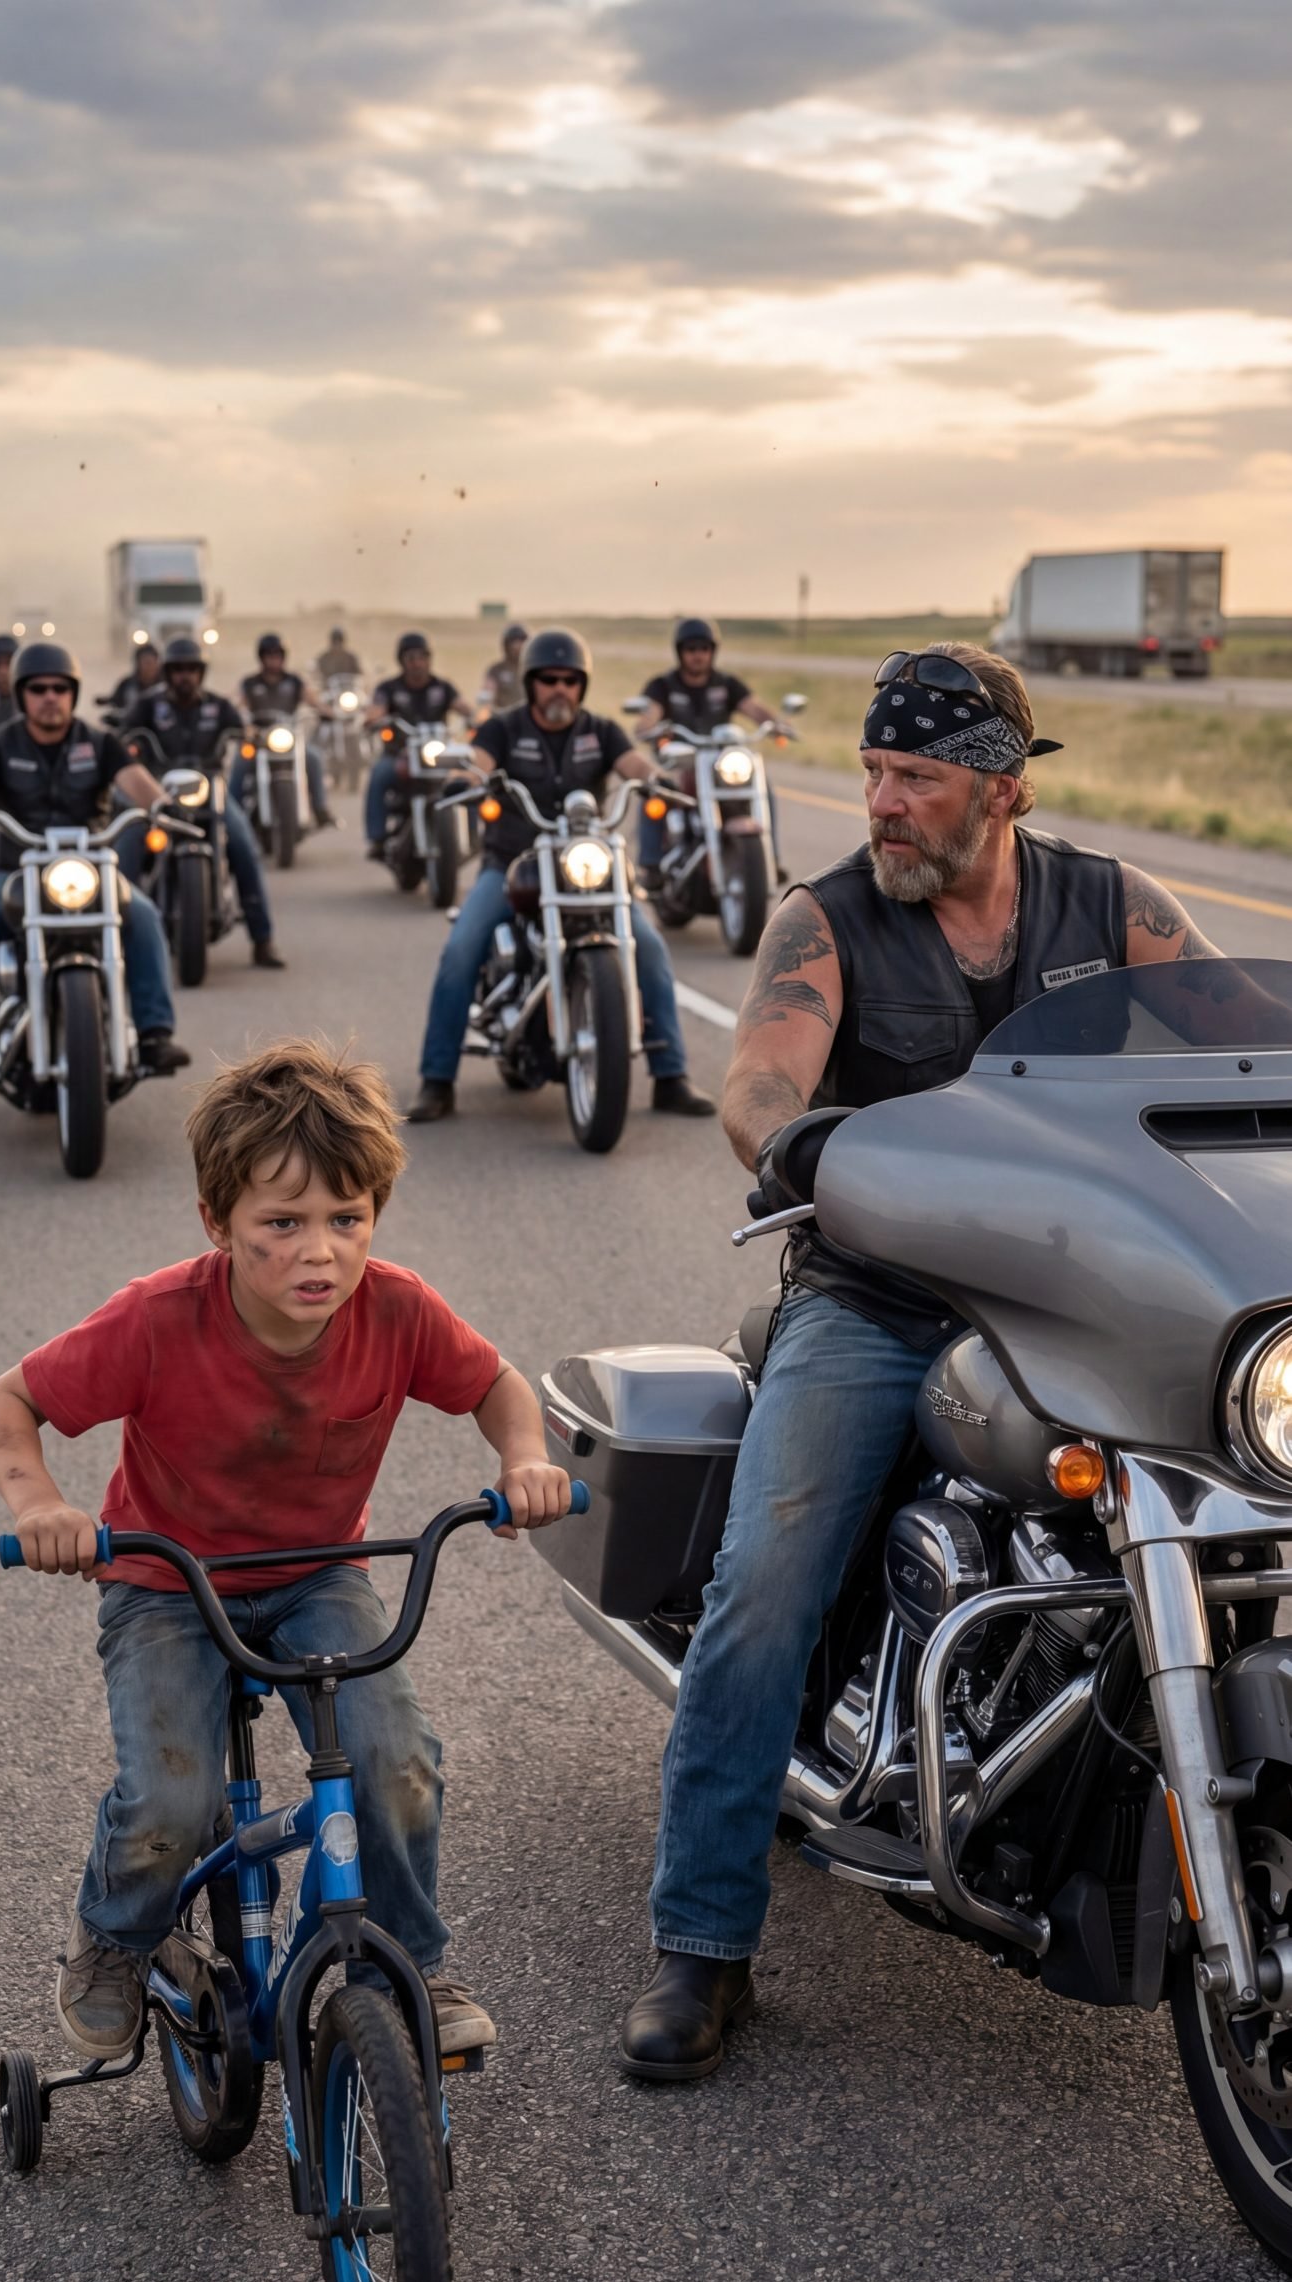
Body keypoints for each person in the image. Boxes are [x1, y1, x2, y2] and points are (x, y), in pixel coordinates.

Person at [620, 639, 1223, 2081]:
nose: (881, 802)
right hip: (879, 1298)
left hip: (1083, 1300)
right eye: (876, 772)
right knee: (761, 1590)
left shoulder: (1109, 904)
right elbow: (759, 1080)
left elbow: (1240, 1038)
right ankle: (701, 1948)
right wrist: (800, 1141)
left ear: (999, 790)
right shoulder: (827, 920)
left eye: (916, 777)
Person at [0, 1037, 574, 2062]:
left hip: (314, 1574)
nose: (321, 1252)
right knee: (171, 1796)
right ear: (218, 1224)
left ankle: (405, 1959)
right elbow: (9, 1403)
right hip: (169, 1578)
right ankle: (117, 1936)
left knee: (397, 1765)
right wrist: (42, 1508)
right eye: (281, 1224)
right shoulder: (159, 1318)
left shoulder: (396, 1307)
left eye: (347, 1220)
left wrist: (525, 1459)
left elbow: (497, 1386)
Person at [407, 627, 716, 1123]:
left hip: (586, 868)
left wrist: (655, 778)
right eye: (548, 679)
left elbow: (633, 762)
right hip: (513, 865)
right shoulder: (503, 730)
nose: (559, 690)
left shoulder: (600, 730)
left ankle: (670, 1076)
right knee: (461, 948)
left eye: (570, 681)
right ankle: (437, 1080)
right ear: (531, 683)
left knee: (650, 947)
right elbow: (479, 763)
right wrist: (466, 778)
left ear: (582, 685)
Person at [0, 640, 188, 1081]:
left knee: (144, 916)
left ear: (73, 693)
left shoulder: (100, 742)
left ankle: (154, 1034)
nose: (50, 697)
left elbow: (137, 781)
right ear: (22, 695)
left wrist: (165, 805)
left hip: (89, 868)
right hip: (17, 870)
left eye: (59, 688)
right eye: (38, 689)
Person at [132, 636, 285, 968]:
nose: (185, 676)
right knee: (126, 847)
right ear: (168, 673)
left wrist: (252, 736)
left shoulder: (218, 706)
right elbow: (125, 733)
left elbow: (243, 730)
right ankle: (119, 935)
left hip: (210, 791)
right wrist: (122, 739)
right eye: (178, 670)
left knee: (244, 846)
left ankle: (263, 940)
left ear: (201, 673)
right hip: (160, 792)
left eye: (192, 669)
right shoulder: (148, 706)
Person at [633, 616, 791, 878]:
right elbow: (649, 715)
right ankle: (650, 863)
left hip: (719, 763)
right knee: (654, 790)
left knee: (764, 786)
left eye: (704, 648)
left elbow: (753, 707)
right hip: (679, 761)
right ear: (680, 652)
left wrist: (776, 724)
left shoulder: (726, 684)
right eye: (691, 649)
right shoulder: (663, 686)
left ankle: (770, 857)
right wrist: (648, 727)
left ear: (712, 651)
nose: (698, 655)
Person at [363, 632, 476, 860]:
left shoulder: (442, 687)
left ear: (429, 659)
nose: (416, 663)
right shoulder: (389, 688)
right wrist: (373, 718)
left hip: (438, 755)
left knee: (469, 780)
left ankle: (473, 837)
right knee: (379, 774)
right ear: (402, 661)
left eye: (421, 657)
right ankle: (376, 837)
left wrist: (477, 718)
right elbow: (377, 709)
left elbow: (464, 707)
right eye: (411, 658)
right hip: (399, 755)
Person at [236, 633, 334, 828]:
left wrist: (329, 712)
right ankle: (231, 813)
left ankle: (320, 808)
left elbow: (314, 701)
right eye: (269, 655)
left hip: (288, 738)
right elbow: (236, 704)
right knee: (239, 764)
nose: (273, 659)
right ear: (261, 657)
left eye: (277, 654)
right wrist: (240, 721)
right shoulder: (250, 683)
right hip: (258, 741)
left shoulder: (294, 681)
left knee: (313, 758)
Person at [99, 641, 162, 725]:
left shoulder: (165, 686)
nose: (149, 666)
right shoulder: (128, 684)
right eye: (146, 662)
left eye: (152, 662)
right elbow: (117, 700)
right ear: (138, 664)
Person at [477, 622, 528, 714]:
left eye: (521, 641)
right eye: (513, 642)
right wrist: (486, 697)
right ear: (506, 645)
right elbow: (489, 689)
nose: (518, 646)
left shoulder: (531, 668)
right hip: (505, 719)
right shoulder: (497, 669)